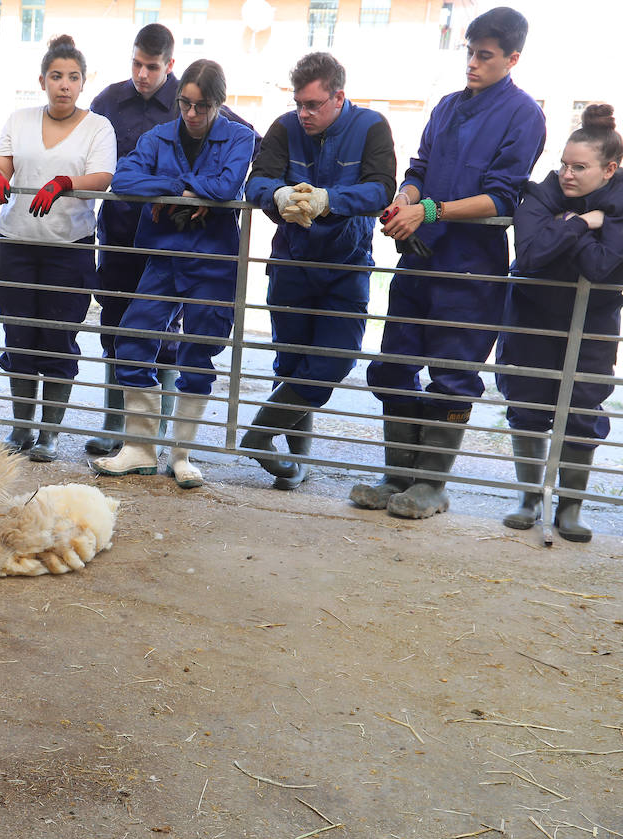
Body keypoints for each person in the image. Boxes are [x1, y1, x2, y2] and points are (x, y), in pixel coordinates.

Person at [355, 6, 545, 519]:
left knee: (453, 374)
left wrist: (429, 210)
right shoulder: (445, 107)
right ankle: (396, 476)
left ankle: (432, 484)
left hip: (471, 270)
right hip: (420, 261)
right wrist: (404, 197)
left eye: (485, 56)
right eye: (470, 53)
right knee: (394, 363)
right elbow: (419, 167)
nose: (473, 64)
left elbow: (502, 198)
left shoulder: (525, 115)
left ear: (512, 58)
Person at [87, 25, 260, 458]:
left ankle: (181, 456)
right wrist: (181, 190)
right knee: (131, 338)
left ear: (218, 104)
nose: (191, 114)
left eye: (202, 106)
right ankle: (140, 449)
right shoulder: (157, 134)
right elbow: (124, 178)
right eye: (185, 104)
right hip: (161, 253)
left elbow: (225, 185)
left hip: (212, 259)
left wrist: (196, 193)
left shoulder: (238, 136)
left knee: (199, 353)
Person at [244, 52, 395, 489]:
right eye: (298, 104)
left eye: (312, 105)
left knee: (335, 356)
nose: (303, 114)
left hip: (346, 266)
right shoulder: (284, 127)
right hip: (291, 263)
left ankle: (259, 434)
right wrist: (280, 196)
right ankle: (296, 461)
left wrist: (329, 200)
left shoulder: (371, 126)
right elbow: (257, 180)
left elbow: (382, 187)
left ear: (338, 98)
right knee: (291, 362)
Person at [496, 104, 623, 542]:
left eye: (580, 167)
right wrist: (584, 223)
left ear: (609, 169)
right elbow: (531, 257)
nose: (567, 174)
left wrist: (561, 229)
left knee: (583, 403)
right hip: (534, 311)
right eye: (563, 164)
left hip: (594, 316)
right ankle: (530, 498)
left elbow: (599, 266)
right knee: (528, 400)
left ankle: (570, 507)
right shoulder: (543, 192)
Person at [0, 34, 116, 462]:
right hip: (16, 244)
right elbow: (1, 160)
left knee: (58, 339)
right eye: (56, 76)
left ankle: (49, 434)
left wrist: (65, 184)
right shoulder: (19, 119)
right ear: (42, 80)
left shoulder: (98, 127)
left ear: (83, 83)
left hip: (68, 249)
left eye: (72, 78)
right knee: (19, 336)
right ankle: (21, 428)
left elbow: (102, 177)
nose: (64, 84)